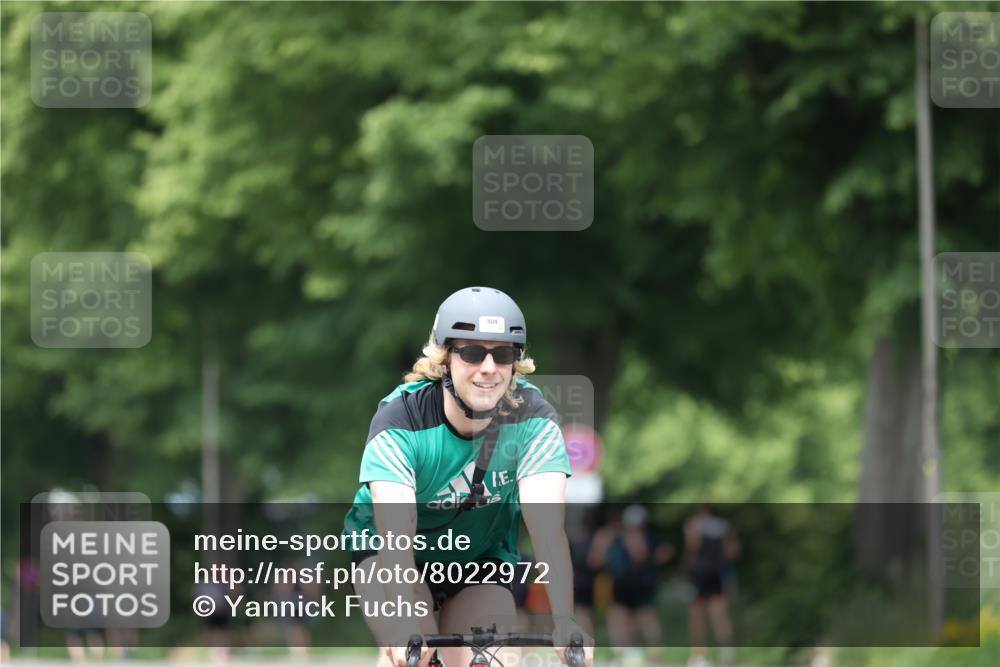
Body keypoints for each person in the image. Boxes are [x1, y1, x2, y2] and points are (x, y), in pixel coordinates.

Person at [343, 287, 594, 667]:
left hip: (480, 556)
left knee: (494, 659)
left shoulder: (534, 419)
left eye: (503, 354)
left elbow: (547, 530)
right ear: (445, 359)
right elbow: (396, 533)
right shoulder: (400, 420)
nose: (489, 368)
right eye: (473, 353)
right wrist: (403, 621)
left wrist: (564, 619)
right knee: (412, 655)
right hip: (391, 555)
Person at [594, 505, 673, 665]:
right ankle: (652, 654)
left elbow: (599, 558)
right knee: (643, 617)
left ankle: (624, 655)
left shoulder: (620, 536)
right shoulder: (648, 536)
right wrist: (653, 561)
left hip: (624, 580)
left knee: (621, 617)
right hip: (642, 581)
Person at [684, 504, 739, 667]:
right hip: (719, 573)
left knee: (697, 615)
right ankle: (727, 653)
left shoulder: (693, 523)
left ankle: (699, 656)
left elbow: (693, 546)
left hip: (701, 574)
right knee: (720, 614)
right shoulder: (724, 526)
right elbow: (733, 552)